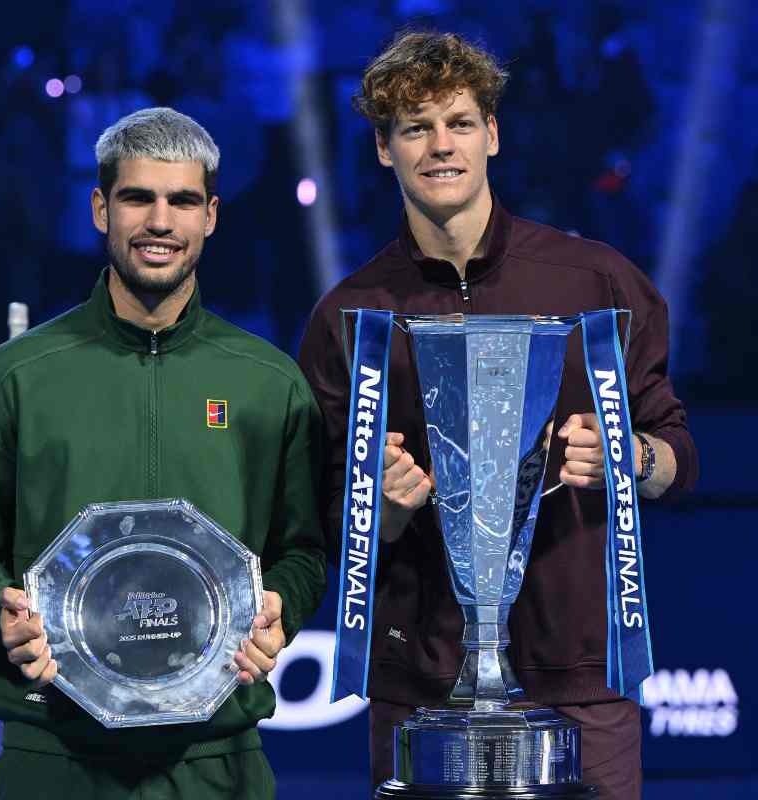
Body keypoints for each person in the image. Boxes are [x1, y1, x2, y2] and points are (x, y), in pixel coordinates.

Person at [297, 32, 698, 800]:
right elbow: (320, 518)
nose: (439, 146)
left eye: (458, 123)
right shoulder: (350, 315)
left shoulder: (598, 282)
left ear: (493, 135)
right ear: (385, 151)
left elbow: (678, 453)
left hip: (580, 672)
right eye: (415, 128)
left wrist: (629, 457)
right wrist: (373, 513)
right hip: (421, 681)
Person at [0, 107, 326, 800]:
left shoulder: (269, 383)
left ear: (212, 216)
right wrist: (2, 610)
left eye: (183, 201)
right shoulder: (12, 378)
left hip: (219, 759)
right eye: (138, 198)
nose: (160, 221)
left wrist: (281, 605)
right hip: (54, 753)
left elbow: (306, 549)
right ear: (102, 208)